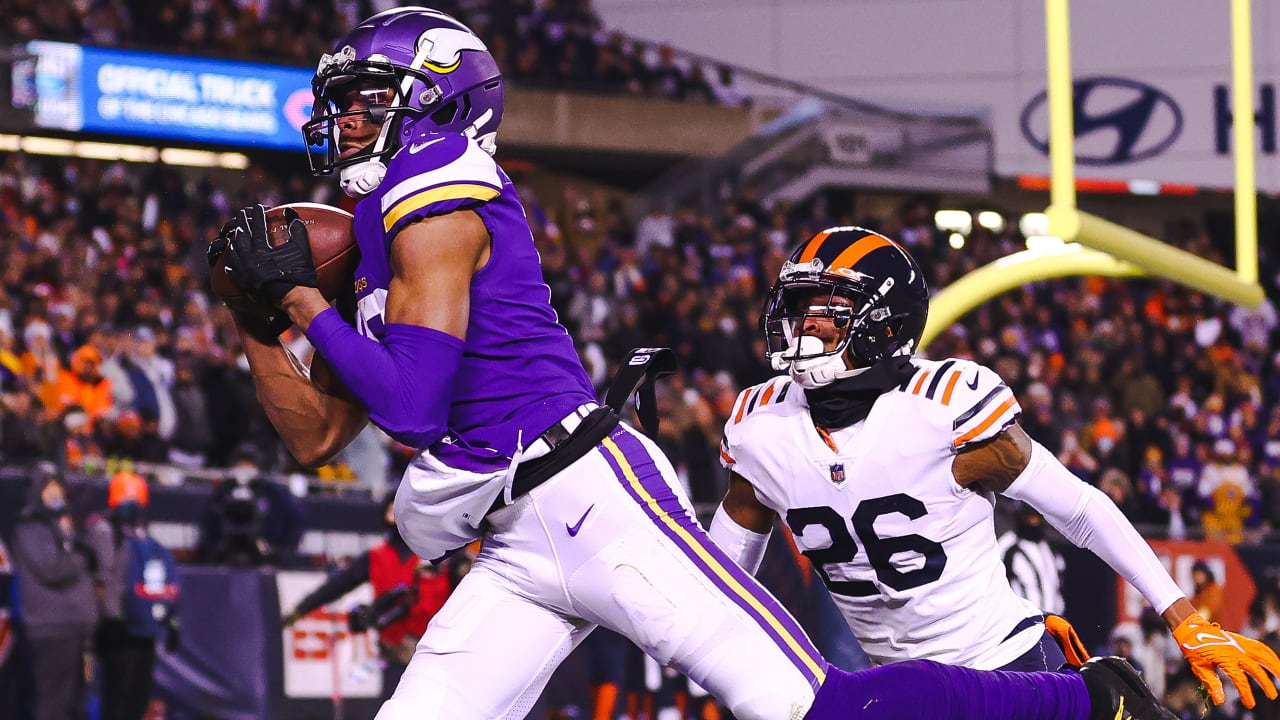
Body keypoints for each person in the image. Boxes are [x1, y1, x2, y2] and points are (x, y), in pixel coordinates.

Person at [206, 7, 1168, 719]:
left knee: (819, 712)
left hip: (590, 503)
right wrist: (257, 317)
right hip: (510, 537)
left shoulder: (438, 188)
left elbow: (412, 406)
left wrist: (300, 301)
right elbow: (317, 433)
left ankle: (1087, 703)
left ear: (436, 99)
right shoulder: (378, 229)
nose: (343, 123)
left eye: (366, 101)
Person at [709, 226, 1280, 708]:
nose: (805, 324)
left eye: (828, 310)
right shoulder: (761, 427)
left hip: (1007, 669)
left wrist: (1182, 616)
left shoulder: (944, 406)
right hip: (897, 690)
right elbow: (719, 580)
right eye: (800, 307)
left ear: (885, 322)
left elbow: (1080, 509)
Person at [281, 493, 451, 699]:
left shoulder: (439, 554)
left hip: (438, 651)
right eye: (393, 510)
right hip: (395, 653)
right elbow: (337, 585)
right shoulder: (377, 556)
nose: (399, 515)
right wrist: (301, 610)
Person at [87, 471, 179, 720]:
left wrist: (168, 617)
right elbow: (103, 575)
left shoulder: (142, 535)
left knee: (137, 697)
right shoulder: (104, 529)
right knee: (118, 697)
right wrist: (110, 613)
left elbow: (159, 576)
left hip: (142, 625)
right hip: (116, 626)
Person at [11, 462, 98, 720]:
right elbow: (52, 569)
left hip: (74, 628)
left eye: (58, 487)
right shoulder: (30, 527)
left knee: (74, 705)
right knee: (52, 705)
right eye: (49, 488)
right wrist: (81, 555)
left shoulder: (62, 527)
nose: (56, 494)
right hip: (52, 628)